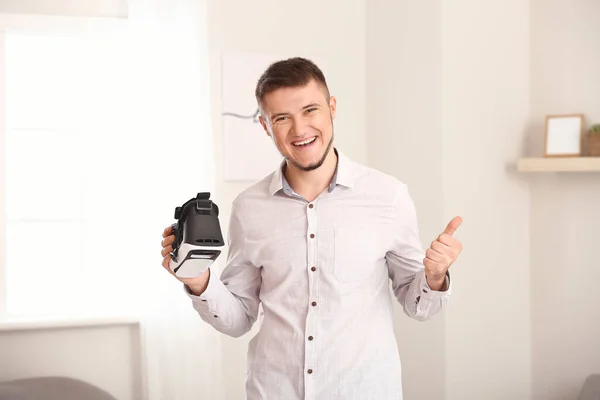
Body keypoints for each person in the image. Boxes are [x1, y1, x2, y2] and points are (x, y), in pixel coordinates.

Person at [160, 57, 463, 399]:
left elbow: (418, 305)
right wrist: (199, 281)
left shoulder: (388, 196)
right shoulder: (248, 207)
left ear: (331, 108)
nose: (299, 130)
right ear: (265, 125)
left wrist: (435, 276)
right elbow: (240, 318)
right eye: (282, 118)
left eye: (310, 110)